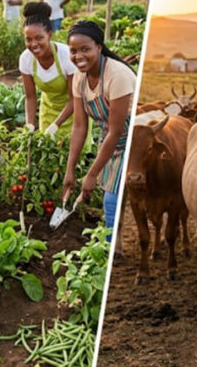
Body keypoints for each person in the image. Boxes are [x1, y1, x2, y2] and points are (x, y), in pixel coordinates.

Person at [62, 20, 134, 239]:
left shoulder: (117, 75)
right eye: (73, 51)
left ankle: (109, 247)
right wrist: (70, 170)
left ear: (99, 48)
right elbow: (79, 126)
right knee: (107, 195)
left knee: (111, 200)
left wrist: (91, 174)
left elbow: (117, 130)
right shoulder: (79, 78)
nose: (78, 56)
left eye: (86, 49)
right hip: (110, 139)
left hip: (132, 138)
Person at [20, 2, 82, 140]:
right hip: (48, 111)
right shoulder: (26, 59)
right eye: (28, 39)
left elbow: (75, 98)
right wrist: (29, 124)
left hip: (74, 113)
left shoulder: (66, 56)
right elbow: (30, 97)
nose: (34, 44)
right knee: (47, 154)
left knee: (74, 156)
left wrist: (56, 125)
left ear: (49, 35)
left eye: (39, 38)